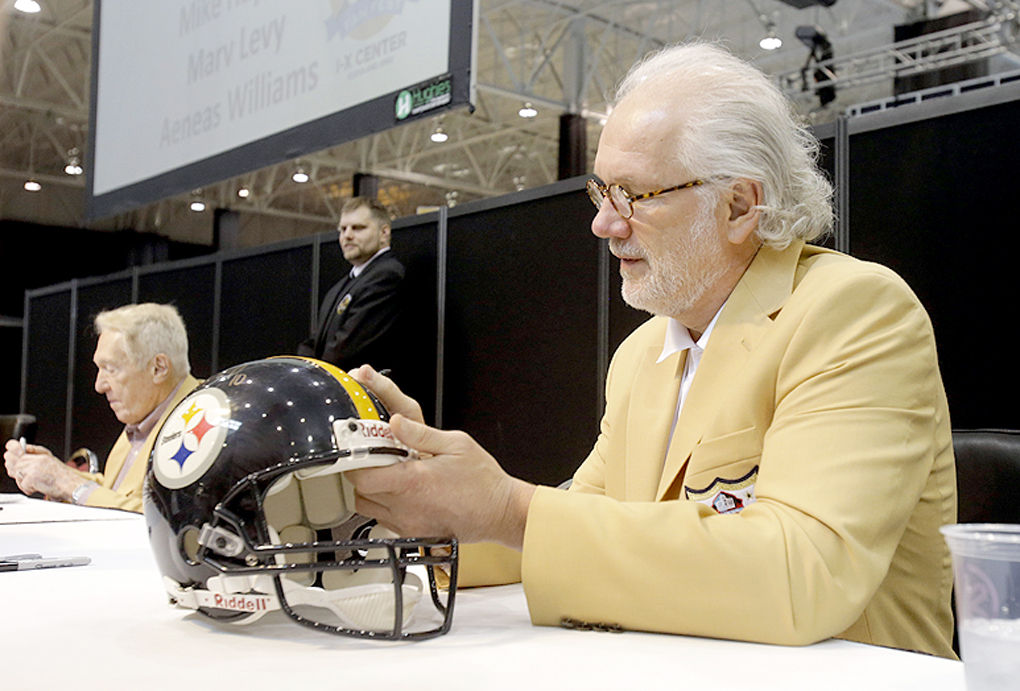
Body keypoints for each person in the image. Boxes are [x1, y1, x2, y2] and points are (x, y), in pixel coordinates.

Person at [344, 41, 957, 659]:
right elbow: (576, 531)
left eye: (634, 196)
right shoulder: (643, 354)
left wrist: (509, 507)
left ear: (740, 205)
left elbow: (804, 569)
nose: (604, 225)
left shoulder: (855, 312)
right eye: (602, 192)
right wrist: (426, 503)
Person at [3, 303, 199, 512]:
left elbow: (166, 522)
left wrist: (67, 484)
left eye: (111, 369)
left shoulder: (200, 424)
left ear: (158, 368)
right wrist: (53, 472)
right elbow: (117, 492)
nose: (99, 386)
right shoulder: (148, 416)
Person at [298, 196, 405, 373]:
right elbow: (315, 343)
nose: (347, 235)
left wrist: (313, 374)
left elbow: (345, 349)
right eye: (343, 229)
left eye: (358, 228)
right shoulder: (341, 286)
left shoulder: (387, 276)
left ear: (384, 232)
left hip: (363, 391)